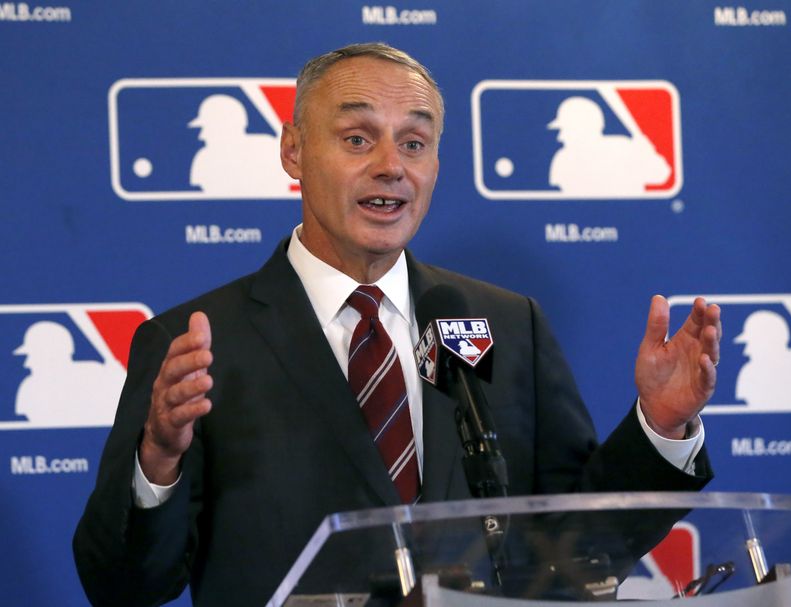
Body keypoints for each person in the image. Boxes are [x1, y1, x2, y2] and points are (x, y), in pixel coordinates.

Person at [74, 43, 721, 607]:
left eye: (414, 142)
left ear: (436, 164)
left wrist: (659, 428)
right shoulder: (200, 345)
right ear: (293, 152)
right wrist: (157, 461)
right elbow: (124, 586)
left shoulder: (502, 321)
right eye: (357, 138)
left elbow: (578, 547)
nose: (391, 165)